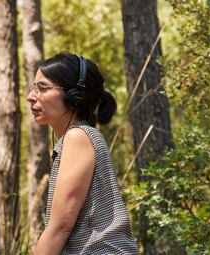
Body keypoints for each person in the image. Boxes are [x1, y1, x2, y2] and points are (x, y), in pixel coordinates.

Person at [27, 52, 139, 254]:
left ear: (73, 96)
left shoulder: (77, 137)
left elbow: (60, 227)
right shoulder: (78, 137)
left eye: (42, 88)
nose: (30, 96)